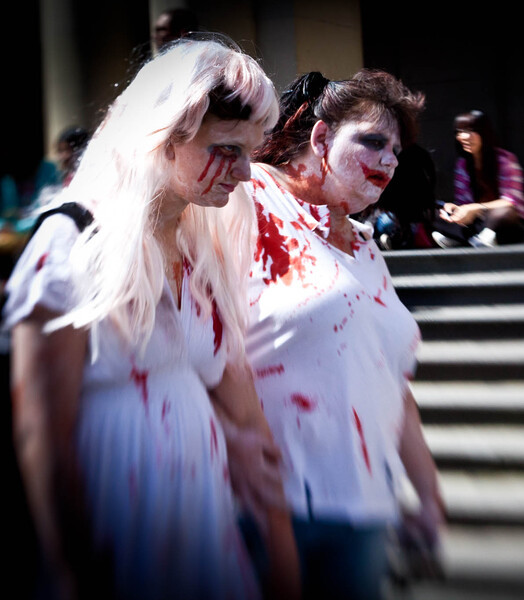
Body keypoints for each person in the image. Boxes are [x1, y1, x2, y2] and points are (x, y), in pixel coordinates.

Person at [3, 36, 299, 600]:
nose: (245, 173)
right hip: (111, 550)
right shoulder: (70, 244)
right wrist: (73, 574)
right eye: (227, 149)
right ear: (162, 136)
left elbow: (240, 406)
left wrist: (281, 553)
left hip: (207, 547)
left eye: (250, 152)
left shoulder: (204, 249)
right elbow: (41, 434)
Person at [233, 69, 445, 599]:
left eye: (396, 151)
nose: (389, 161)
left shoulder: (366, 247)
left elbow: (391, 384)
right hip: (267, 507)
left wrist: (428, 497)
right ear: (322, 137)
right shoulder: (247, 198)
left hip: (366, 513)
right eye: (373, 141)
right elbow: (203, 339)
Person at [432, 109, 524, 248]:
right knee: (436, 213)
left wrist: (476, 208)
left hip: (504, 223)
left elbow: (510, 202)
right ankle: (471, 238)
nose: (464, 136)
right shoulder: (462, 164)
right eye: (459, 132)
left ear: (484, 133)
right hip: (476, 221)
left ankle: (474, 237)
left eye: (471, 131)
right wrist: (455, 209)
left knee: (504, 212)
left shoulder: (505, 160)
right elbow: (463, 203)